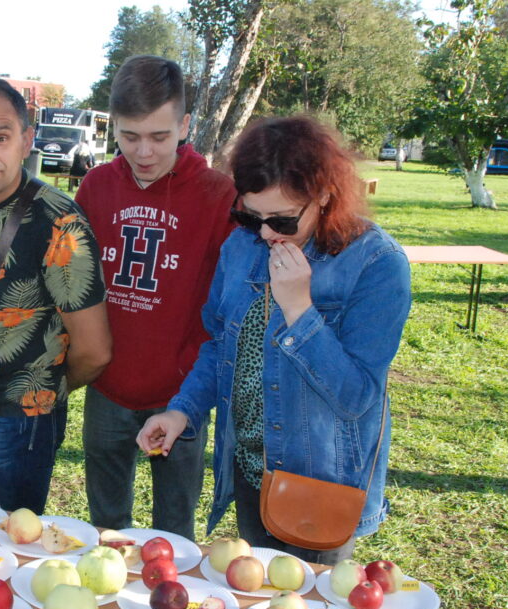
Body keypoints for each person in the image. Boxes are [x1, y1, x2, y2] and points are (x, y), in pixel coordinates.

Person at [137, 115, 412, 564]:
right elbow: (218, 344)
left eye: (282, 221)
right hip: (252, 470)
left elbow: (358, 395)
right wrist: (182, 410)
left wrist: (300, 311)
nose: (265, 233)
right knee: (264, 600)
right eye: (250, 215)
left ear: (323, 195)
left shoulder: (377, 265)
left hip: (320, 481)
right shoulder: (241, 247)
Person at [75, 55, 235, 541]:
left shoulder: (217, 195)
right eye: (129, 136)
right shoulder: (96, 186)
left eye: (160, 136)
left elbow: (228, 305)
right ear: (113, 127)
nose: (143, 151)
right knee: (107, 527)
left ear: (186, 124)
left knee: (175, 531)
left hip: (180, 392)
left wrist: (190, 385)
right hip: (107, 386)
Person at [0, 77, 111, 513]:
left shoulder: (59, 222)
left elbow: (95, 350)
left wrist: (44, 391)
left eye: (1, 137)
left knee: (5, 551)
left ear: (26, 140)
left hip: (18, 425)